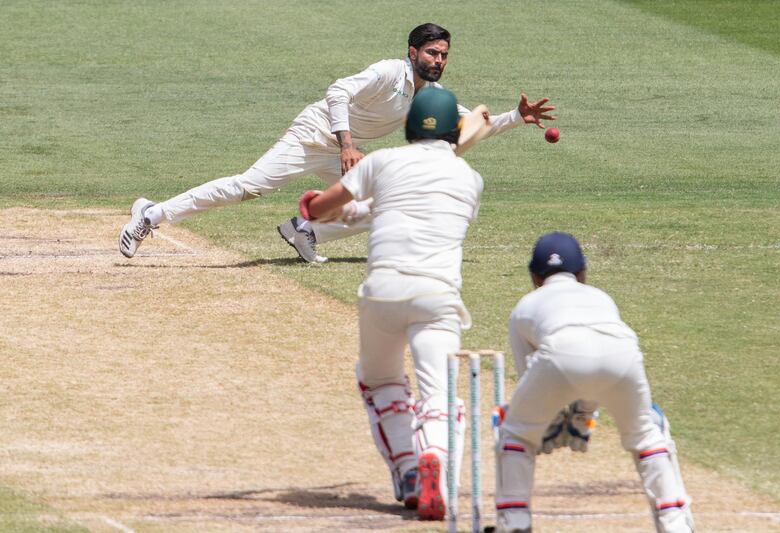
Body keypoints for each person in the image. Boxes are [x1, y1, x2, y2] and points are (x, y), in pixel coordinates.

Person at [118, 23, 556, 262]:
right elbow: (337, 92)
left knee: (381, 204)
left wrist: (517, 116)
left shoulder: (432, 97)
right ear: (412, 52)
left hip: (347, 152)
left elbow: (469, 127)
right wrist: (346, 144)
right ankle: (150, 215)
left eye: (443, 55)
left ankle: (305, 230)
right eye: (431, 53)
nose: (438, 60)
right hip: (314, 136)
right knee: (248, 187)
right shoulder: (388, 71)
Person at [301, 87, 479, 521]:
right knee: (439, 394)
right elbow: (413, 208)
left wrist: (318, 206)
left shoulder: (382, 162)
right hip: (438, 296)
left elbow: (321, 208)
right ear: (456, 132)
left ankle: (407, 470)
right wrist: (357, 211)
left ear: (407, 126)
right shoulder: (470, 179)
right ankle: (433, 457)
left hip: (382, 292)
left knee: (379, 381)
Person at [491, 232, 694, 533]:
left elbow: (530, 381)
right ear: (582, 274)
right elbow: (599, 358)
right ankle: (675, 523)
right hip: (624, 355)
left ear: (534, 276)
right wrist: (584, 416)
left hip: (559, 356)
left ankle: (515, 522)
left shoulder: (525, 306)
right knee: (647, 433)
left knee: (514, 430)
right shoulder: (601, 297)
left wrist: (552, 424)